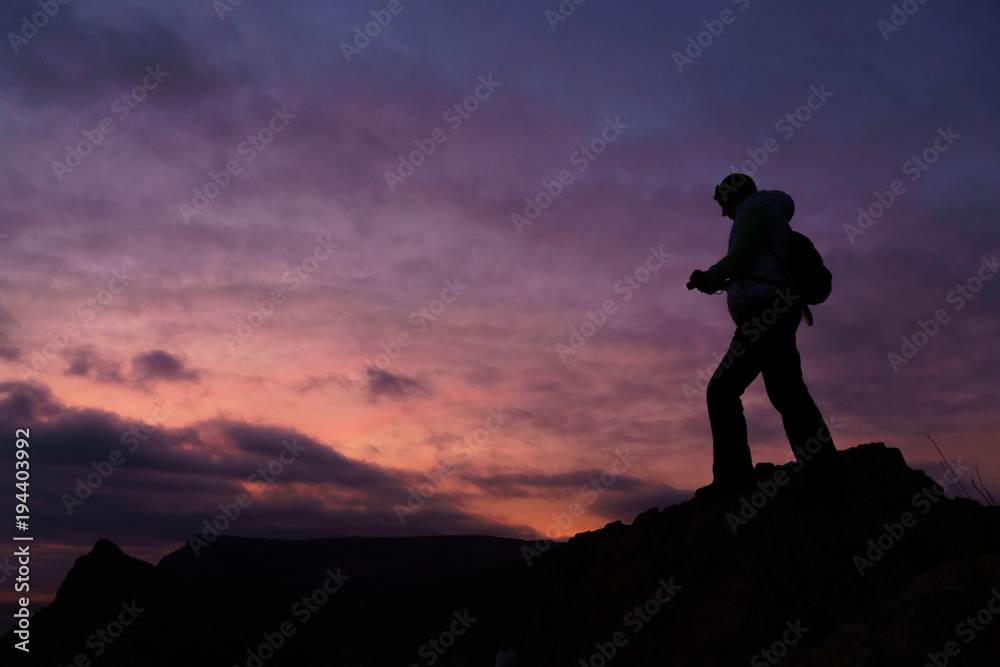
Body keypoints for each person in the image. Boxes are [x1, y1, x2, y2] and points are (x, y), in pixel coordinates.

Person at [687, 173, 847, 502]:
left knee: (770, 389)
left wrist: (709, 276)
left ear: (733, 194)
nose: (722, 212)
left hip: (767, 311)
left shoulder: (755, 211)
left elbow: (742, 256)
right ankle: (814, 474)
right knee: (747, 389)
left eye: (721, 202)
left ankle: (823, 477)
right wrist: (730, 285)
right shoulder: (758, 213)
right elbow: (752, 264)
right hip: (763, 312)